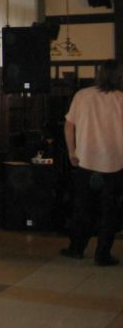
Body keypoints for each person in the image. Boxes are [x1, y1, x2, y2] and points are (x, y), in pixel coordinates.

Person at [61, 59, 123, 266]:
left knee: (82, 208)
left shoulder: (82, 95)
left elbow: (69, 125)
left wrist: (72, 151)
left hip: (85, 160)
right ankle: (102, 254)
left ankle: (77, 248)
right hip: (114, 163)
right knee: (109, 211)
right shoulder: (120, 99)